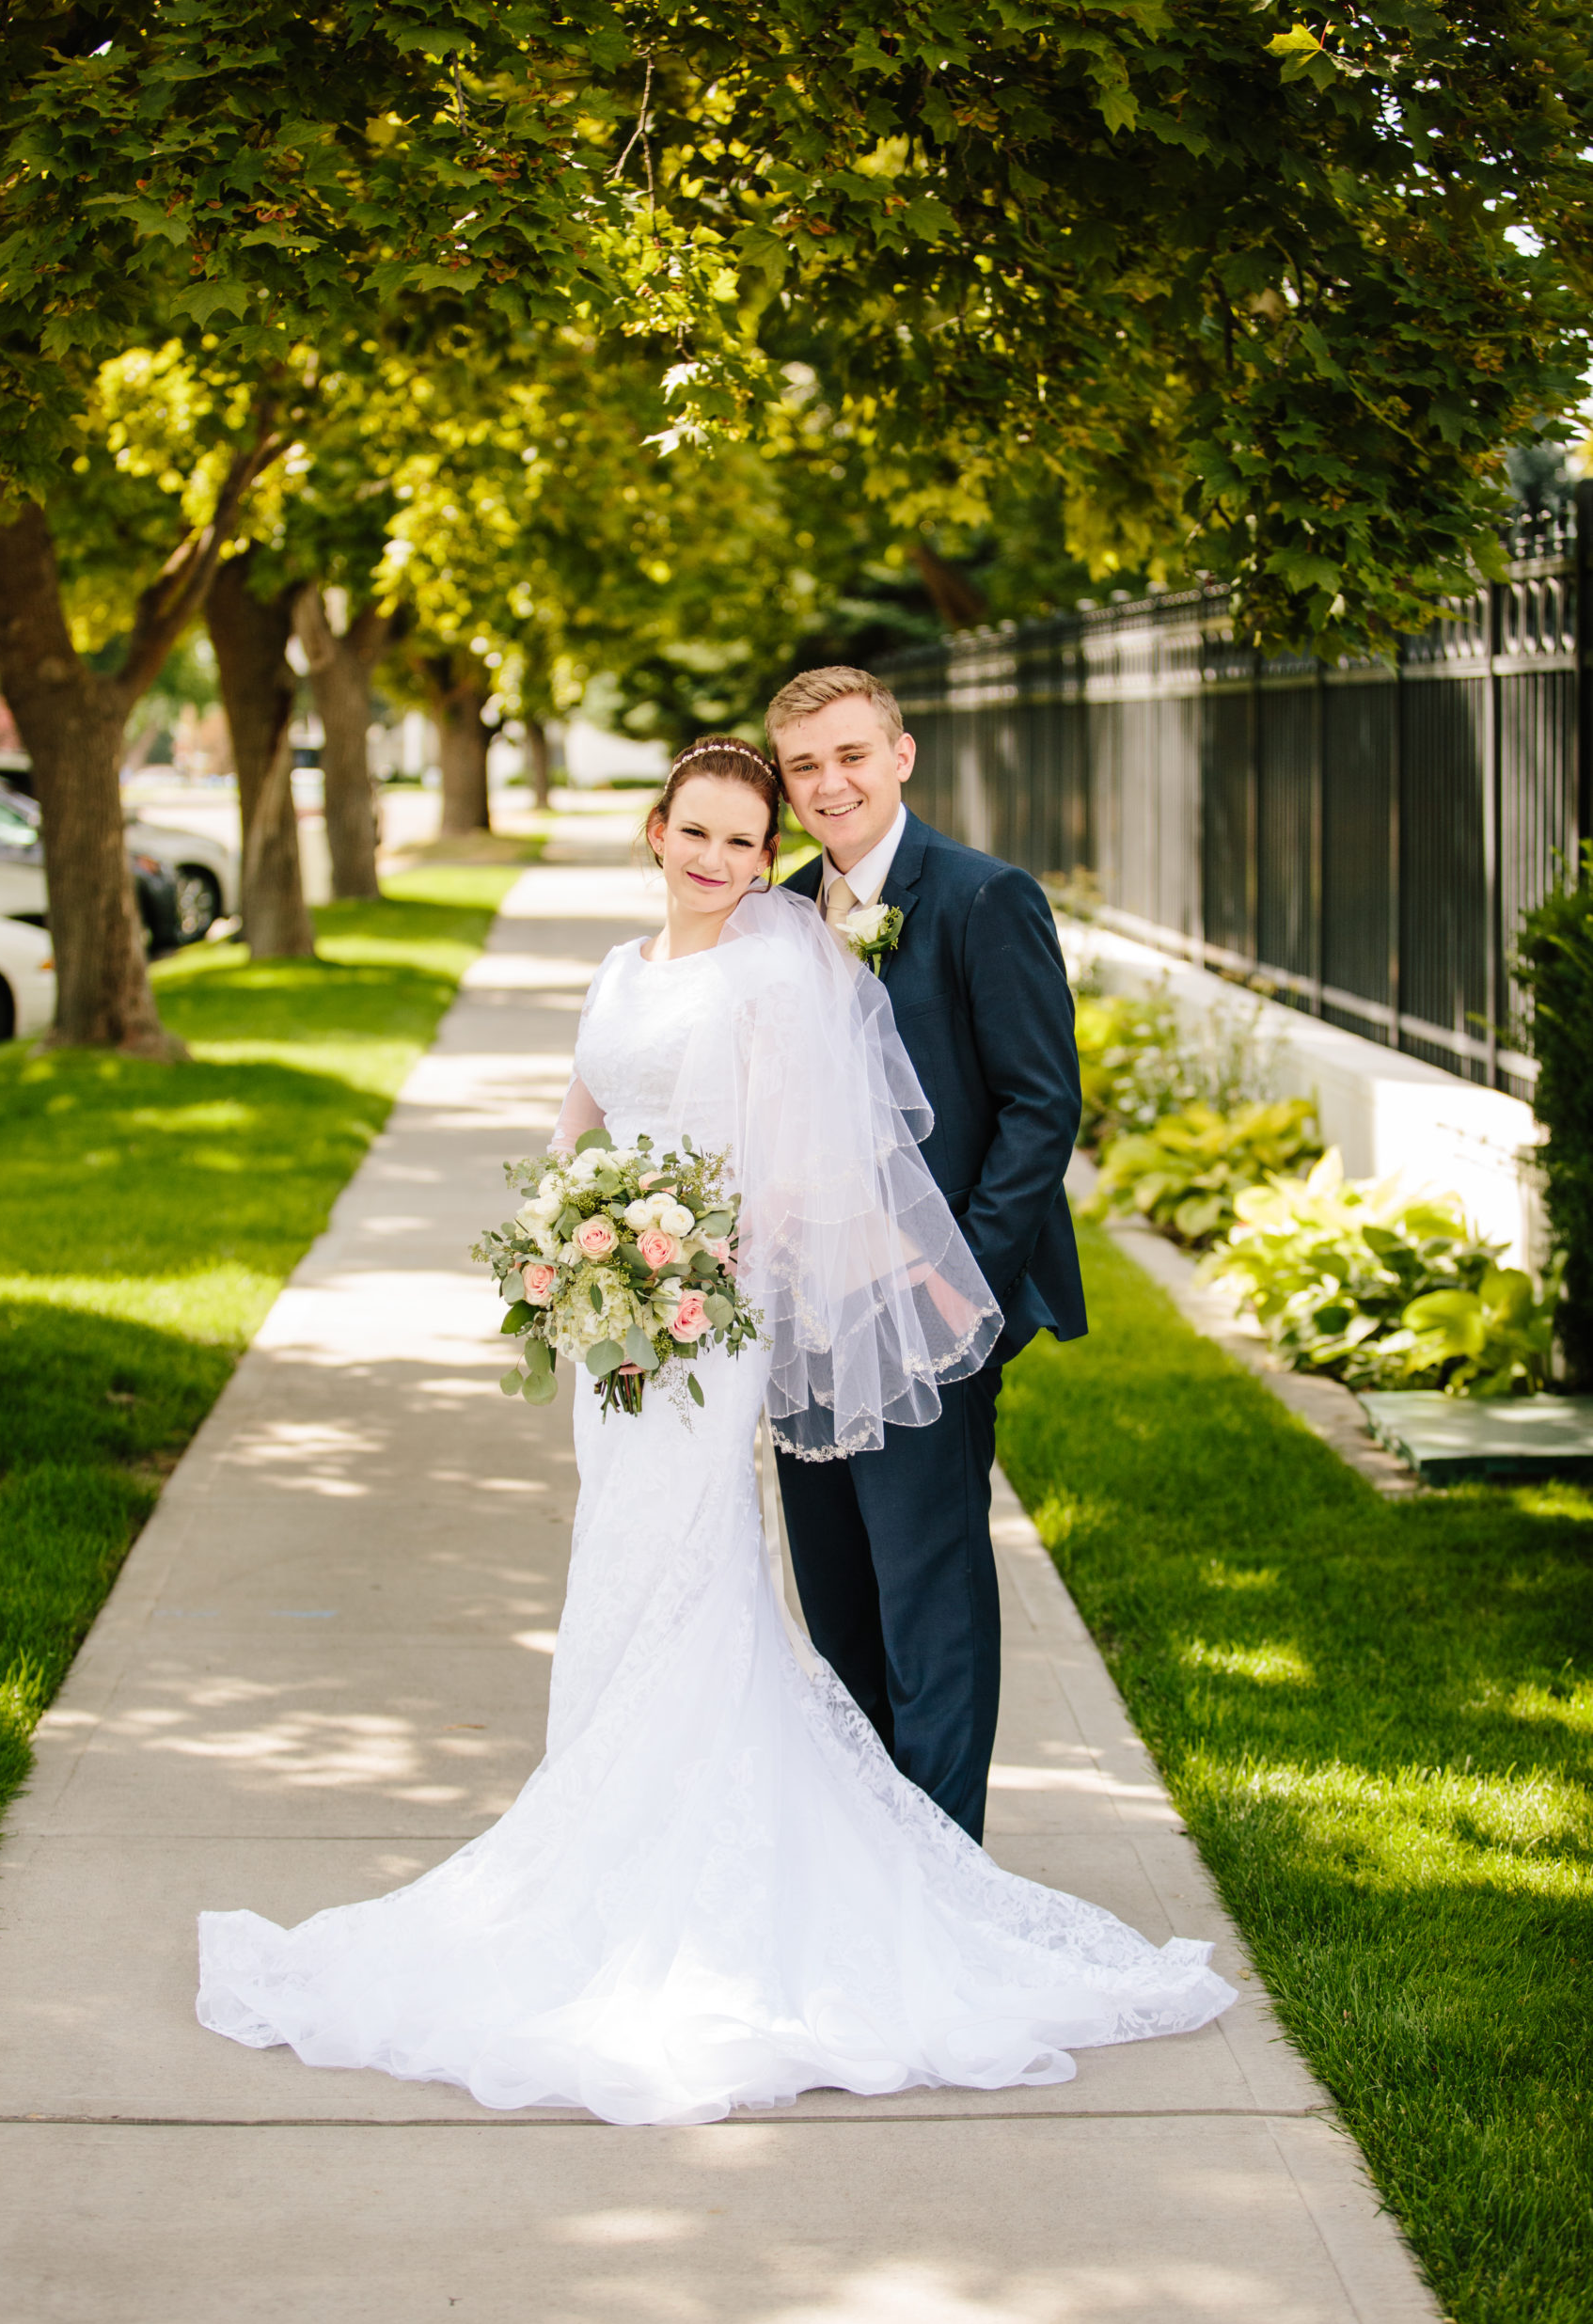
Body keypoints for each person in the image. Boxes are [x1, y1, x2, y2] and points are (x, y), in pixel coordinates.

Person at [197, 736, 1234, 2127]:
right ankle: (601, 1843)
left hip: (704, 1329)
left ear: (763, 862)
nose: (716, 859)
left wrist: (740, 1269)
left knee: (699, 1576)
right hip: (609, 1332)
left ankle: (739, 1881)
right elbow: (579, 1121)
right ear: (656, 829)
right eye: (697, 831)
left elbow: (809, 1163)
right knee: (615, 1573)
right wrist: (557, 1248)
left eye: (744, 842)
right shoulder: (619, 973)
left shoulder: (774, 967)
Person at [769, 667, 1084, 1843]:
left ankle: (943, 1881)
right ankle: (866, 1862)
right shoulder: (786, 915)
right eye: (806, 765)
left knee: (930, 1609)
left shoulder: (983, 899)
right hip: (806, 1319)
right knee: (838, 1606)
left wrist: (962, 1281)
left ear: (901, 755)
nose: (830, 782)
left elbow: (1040, 1109)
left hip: (927, 1317)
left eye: (851, 754)